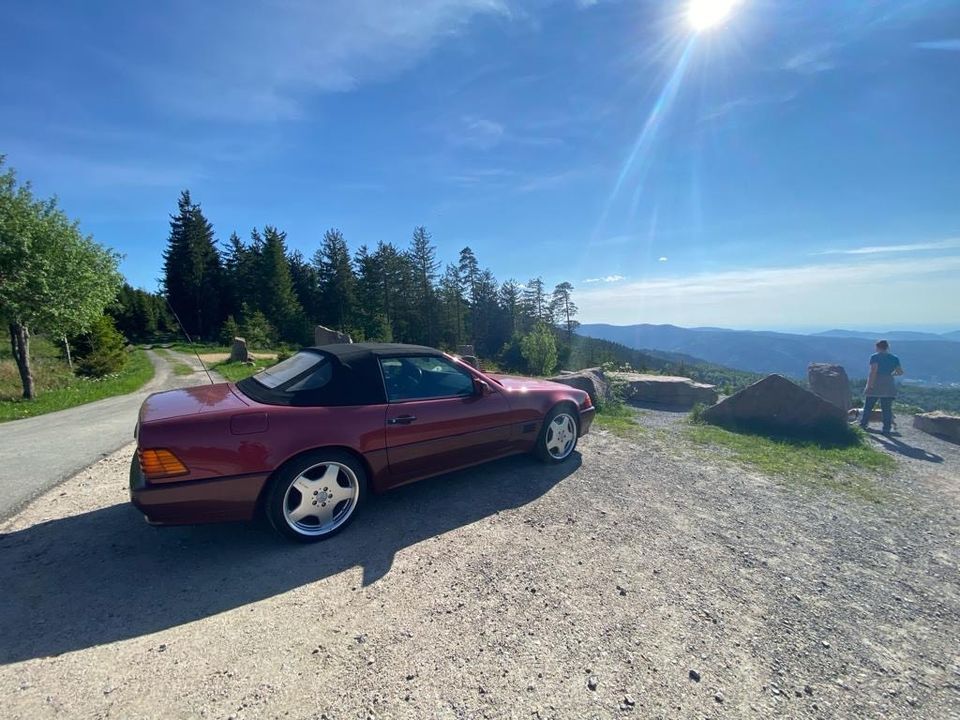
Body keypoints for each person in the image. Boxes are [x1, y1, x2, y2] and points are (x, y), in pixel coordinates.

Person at [859, 339, 904, 434]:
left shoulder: (874, 357)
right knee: (887, 409)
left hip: (876, 382)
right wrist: (890, 374)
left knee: (868, 406)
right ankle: (886, 429)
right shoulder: (894, 358)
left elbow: (873, 371)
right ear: (887, 347)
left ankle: (863, 424)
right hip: (889, 383)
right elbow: (900, 372)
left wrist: (869, 385)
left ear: (878, 347)